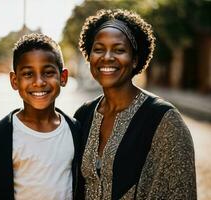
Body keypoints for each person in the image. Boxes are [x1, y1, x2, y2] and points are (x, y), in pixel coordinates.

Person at [74, 9, 197, 200]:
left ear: (135, 60)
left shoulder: (164, 120)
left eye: (119, 50)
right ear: (89, 57)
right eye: (99, 49)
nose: (107, 57)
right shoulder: (83, 115)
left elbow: (180, 192)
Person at [0, 33, 80, 200]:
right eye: (28, 74)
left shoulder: (75, 130)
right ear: (14, 80)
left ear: (63, 77)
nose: (39, 82)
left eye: (48, 72)